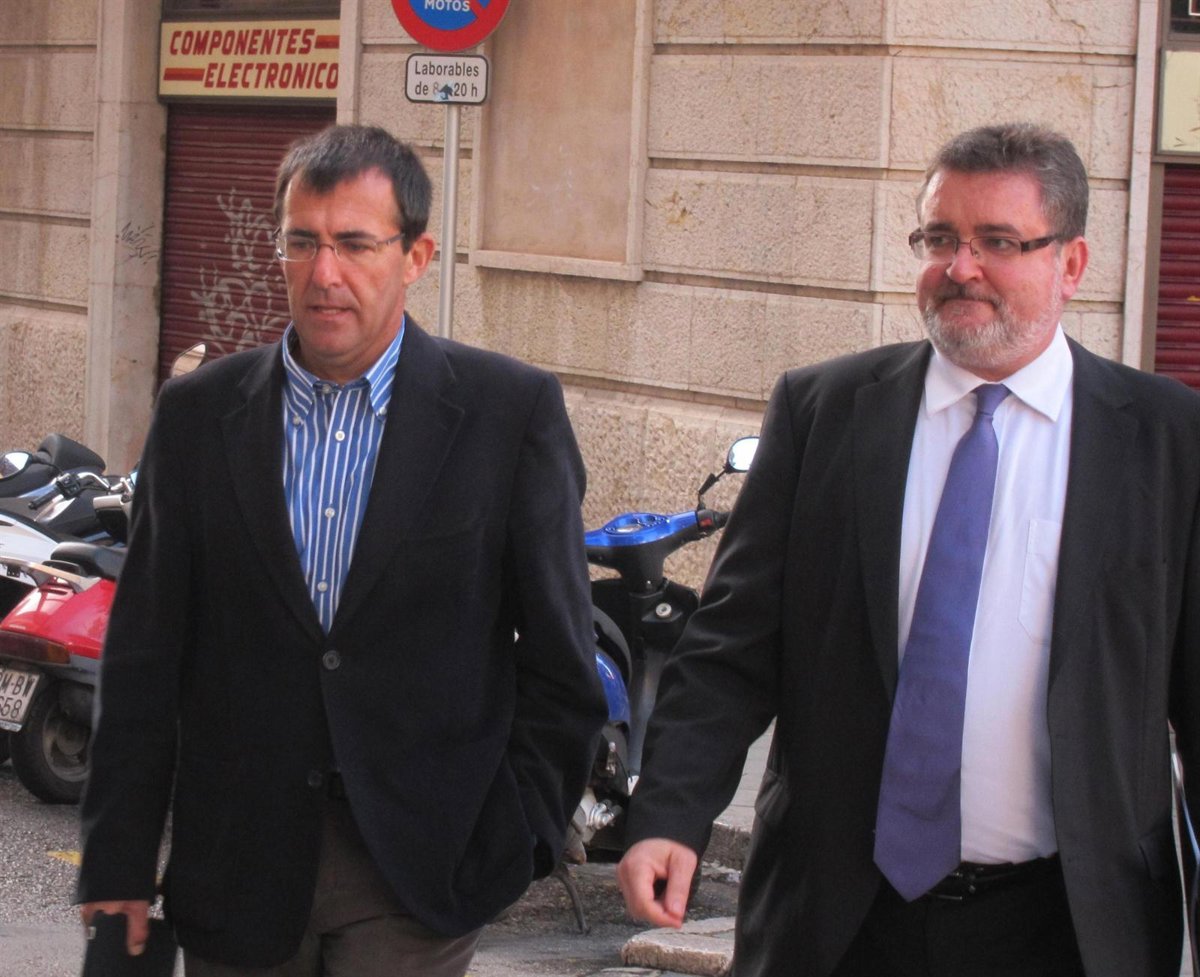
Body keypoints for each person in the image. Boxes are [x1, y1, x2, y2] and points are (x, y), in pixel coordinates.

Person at [617, 122, 1200, 977]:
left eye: (998, 241)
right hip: (840, 919)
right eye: (940, 237)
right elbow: (731, 649)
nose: (960, 267)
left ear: (1071, 264)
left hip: (1072, 927)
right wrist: (669, 813)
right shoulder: (824, 412)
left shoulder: (1166, 438)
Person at [76, 124, 607, 977]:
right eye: (302, 242)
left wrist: (520, 835)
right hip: (236, 869)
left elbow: (561, 662)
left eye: (355, 244)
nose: (324, 273)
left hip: (420, 873)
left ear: (416, 256)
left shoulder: (509, 414)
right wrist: (118, 857)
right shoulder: (199, 415)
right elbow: (144, 653)